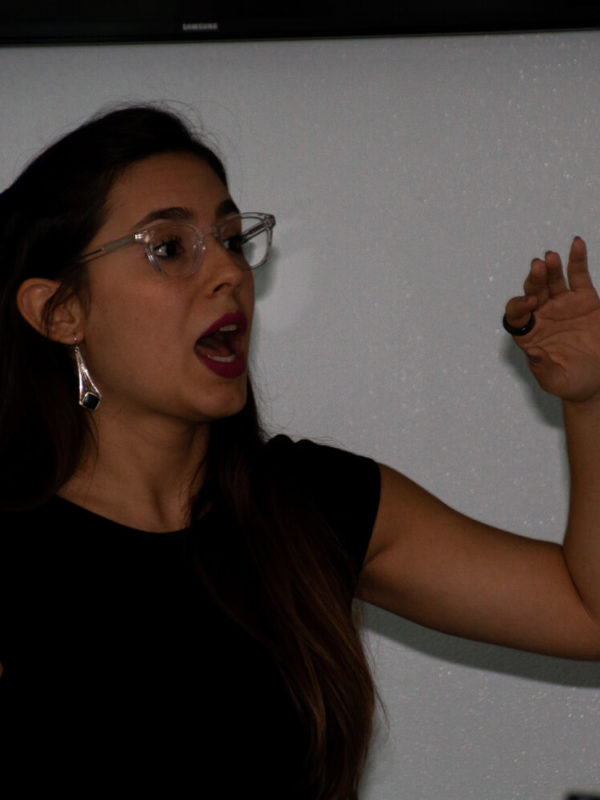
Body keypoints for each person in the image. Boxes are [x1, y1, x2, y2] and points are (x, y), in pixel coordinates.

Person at [0, 105, 598, 798]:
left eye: (231, 239)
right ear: (59, 312)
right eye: (169, 248)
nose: (227, 271)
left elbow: (586, 612)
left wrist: (588, 398)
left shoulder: (307, 505)